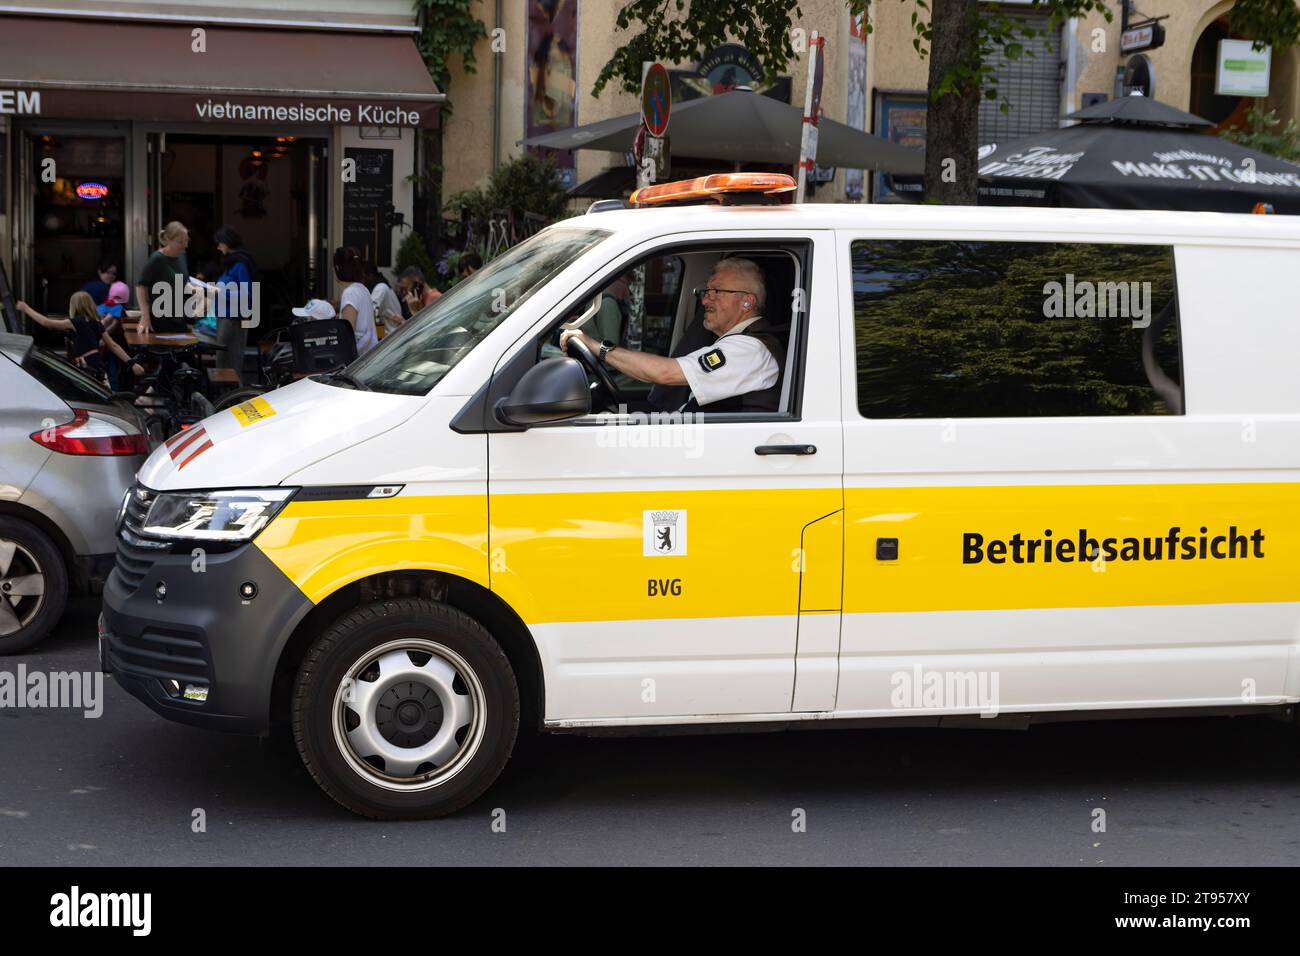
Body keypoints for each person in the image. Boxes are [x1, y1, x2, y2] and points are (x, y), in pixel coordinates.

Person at [559, 258, 781, 413]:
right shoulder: (739, 343)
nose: (705, 300)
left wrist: (599, 348)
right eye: (706, 292)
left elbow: (665, 373)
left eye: (717, 292)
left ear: (747, 301)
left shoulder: (750, 349)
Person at [17, 292, 141, 384]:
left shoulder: (75, 322)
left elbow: (46, 323)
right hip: (97, 365)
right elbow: (113, 346)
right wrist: (132, 363)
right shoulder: (97, 323)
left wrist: (26, 309)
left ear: (74, 306)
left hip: (86, 367)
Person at [211, 225, 257, 384]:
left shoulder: (240, 265)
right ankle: (227, 397)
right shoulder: (231, 264)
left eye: (220, 243)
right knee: (223, 361)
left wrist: (220, 292)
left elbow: (247, 294)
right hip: (226, 317)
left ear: (227, 243)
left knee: (229, 362)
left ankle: (233, 397)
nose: (218, 247)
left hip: (233, 319)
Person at [135, 221, 191, 335]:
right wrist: (145, 316)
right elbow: (141, 286)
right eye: (181, 242)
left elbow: (184, 282)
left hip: (179, 316)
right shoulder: (157, 259)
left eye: (186, 241)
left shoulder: (182, 256)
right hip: (160, 317)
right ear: (169, 241)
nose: (185, 245)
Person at [334, 247, 378, 355]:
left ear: (338, 268)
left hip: (357, 361)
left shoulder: (350, 293)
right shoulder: (363, 289)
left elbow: (347, 335)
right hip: (368, 357)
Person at [364, 260, 404, 334]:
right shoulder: (382, 285)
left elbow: (370, 312)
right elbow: (377, 317)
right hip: (390, 332)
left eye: (363, 276)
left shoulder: (380, 288)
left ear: (370, 275)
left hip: (392, 334)